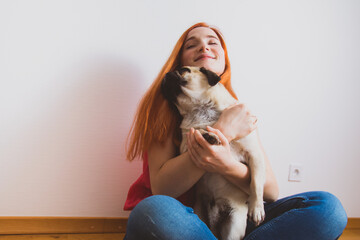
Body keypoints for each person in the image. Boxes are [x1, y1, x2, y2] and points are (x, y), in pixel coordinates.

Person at [123, 22, 347, 240]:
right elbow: (163, 190)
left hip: (238, 213)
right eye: (192, 45)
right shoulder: (165, 110)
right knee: (153, 210)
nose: (204, 47)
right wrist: (222, 131)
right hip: (184, 220)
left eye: (213, 42)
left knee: (328, 209)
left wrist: (227, 165)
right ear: (179, 62)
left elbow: (270, 191)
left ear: (224, 59)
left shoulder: (239, 112)